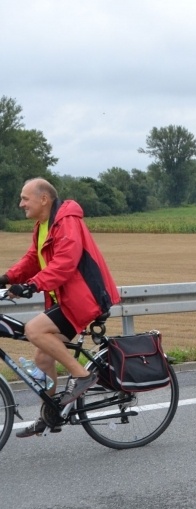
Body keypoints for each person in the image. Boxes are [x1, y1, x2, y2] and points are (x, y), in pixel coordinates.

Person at [0, 178, 119, 437]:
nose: (21, 204)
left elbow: (65, 263)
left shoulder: (67, 221)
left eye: (25, 198)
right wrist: (8, 277)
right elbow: (33, 259)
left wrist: (32, 285)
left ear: (44, 199)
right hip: (65, 300)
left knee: (34, 330)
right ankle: (50, 415)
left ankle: (82, 375)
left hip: (85, 298)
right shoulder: (43, 225)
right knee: (43, 358)